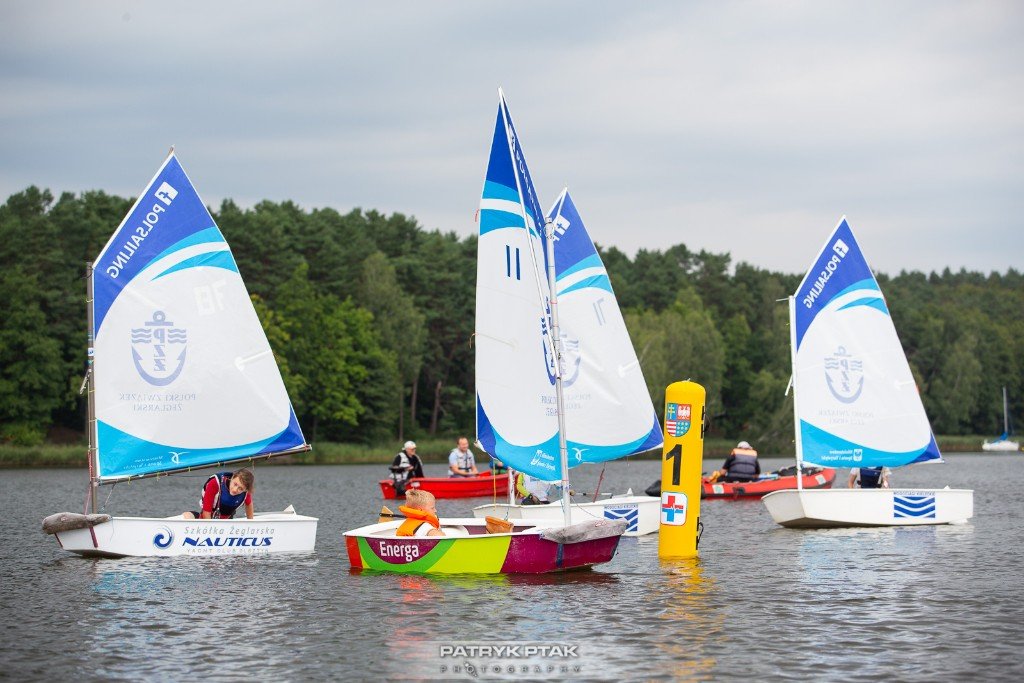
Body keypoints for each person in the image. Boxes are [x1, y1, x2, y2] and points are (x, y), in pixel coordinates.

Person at [183, 468, 254, 520]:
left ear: (245, 489)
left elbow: (249, 505)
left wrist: (250, 524)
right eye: (235, 484)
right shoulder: (215, 483)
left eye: (240, 488)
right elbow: (206, 511)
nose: (235, 490)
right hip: (206, 518)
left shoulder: (245, 493)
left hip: (226, 522)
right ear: (232, 477)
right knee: (186, 516)